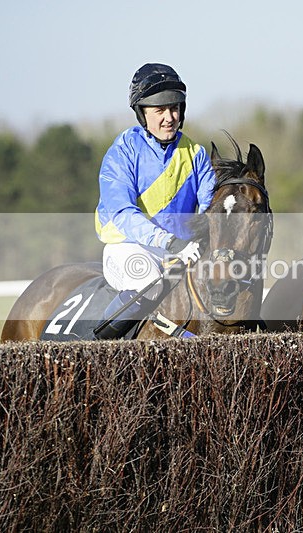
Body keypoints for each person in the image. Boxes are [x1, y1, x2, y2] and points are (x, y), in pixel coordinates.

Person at [93, 63, 217, 339]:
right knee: (149, 283)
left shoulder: (195, 153)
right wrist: (170, 242)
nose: (169, 117)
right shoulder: (122, 152)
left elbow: (211, 207)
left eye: (174, 108)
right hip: (126, 248)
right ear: (142, 114)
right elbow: (123, 213)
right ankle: (96, 348)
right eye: (159, 111)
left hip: (182, 253)